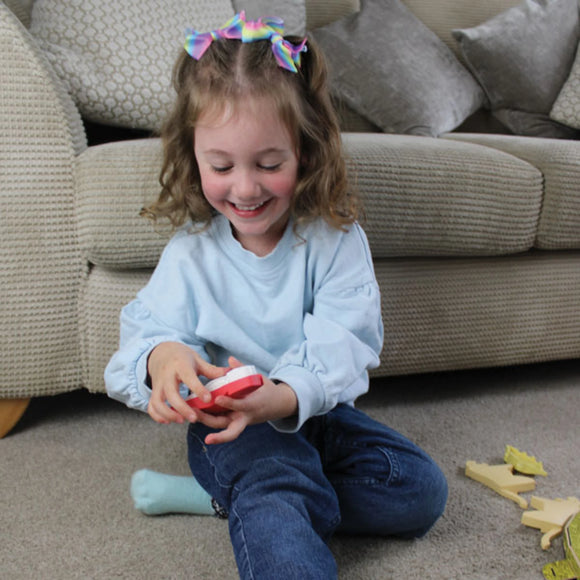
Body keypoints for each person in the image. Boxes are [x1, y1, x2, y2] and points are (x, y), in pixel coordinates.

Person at [105, 12, 448, 579]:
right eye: (221, 166)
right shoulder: (192, 255)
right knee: (274, 477)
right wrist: (160, 358)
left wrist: (284, 394)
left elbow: (347, 342)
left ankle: (230, 500)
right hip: (234, 430)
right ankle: (260, 494)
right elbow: (138, 343)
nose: (245, 187)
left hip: (312, 412)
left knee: (418, 491)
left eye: (269, 164)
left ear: (305, 153)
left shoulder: (335, 240)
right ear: (194, 158)